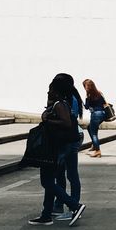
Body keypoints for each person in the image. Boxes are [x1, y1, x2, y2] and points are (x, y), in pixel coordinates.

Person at [29, 75, 86, 226]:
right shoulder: (65, 101)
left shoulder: (61, 104)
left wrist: (47, 119)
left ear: (56, 90)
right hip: (65, 142)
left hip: (61, 144)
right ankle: (47, 213)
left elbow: (66, 122)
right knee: (53, 179)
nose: (48, 92)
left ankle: (74, 205)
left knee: (51, 179)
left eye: (50, 89)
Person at [50, 73, 84, 222]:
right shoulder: (70, 97)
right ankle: (61, 205)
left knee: (66, 174)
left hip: (68, 139)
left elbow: (67, 122)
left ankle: (73, 206)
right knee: (64, 173)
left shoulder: (66, 100)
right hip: (73, 137)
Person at [83, 78, 108, 157]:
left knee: (94, 133)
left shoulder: (89, 95)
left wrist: (86, 98)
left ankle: (97, 151)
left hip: (95, 115)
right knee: (89, 127)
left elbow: (86, 107)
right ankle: (94, 145)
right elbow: (104, 103)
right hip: (102, 114)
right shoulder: (99, 93)